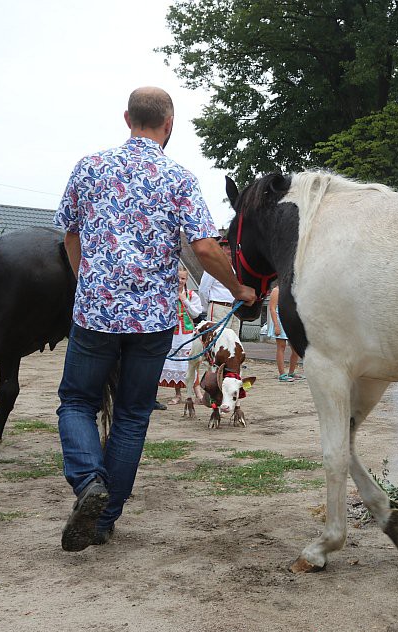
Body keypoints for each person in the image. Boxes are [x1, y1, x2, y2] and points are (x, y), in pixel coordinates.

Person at [54, 86, 256, 552]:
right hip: (151, 321)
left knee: (77, 403)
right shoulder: (179, 177)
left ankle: (88, 484)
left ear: (127, 118)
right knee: (131, 415)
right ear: (169, 125)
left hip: (95, 313)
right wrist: (240, 289)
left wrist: (87, 279)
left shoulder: (89, 167)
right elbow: (205, 247)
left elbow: (69, 232)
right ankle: (103, 520)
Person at [158, 266, 203, 405]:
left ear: (186, 280)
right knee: (176, 363)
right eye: (178, 278)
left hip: (188, 333)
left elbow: (196, 313)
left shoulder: (191, 295)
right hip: (174, 334)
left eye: (183, 278)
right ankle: (178, 394)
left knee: (191, 361)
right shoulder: (167, 294)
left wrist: (184, 300)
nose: (180, 281)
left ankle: (198, 393)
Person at [198, 235, 243, 337]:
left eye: (233, 248)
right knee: (217, 341)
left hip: (235, 310)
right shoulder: (214, 266)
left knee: (234, 342)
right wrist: (208, 306)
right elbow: (203, 290)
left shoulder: (238, 269)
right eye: (228, 248)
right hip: (219, 307)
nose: (231, 252)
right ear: (221, 249)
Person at [267, 284, 301, 381]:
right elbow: (272, 309)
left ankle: (291, 372)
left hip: (292, 321)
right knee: (281, 347)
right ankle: (282, 374)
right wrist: (276, 325)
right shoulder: (276, 290)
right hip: (280, 321)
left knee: (296, 349)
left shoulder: (293, 290)